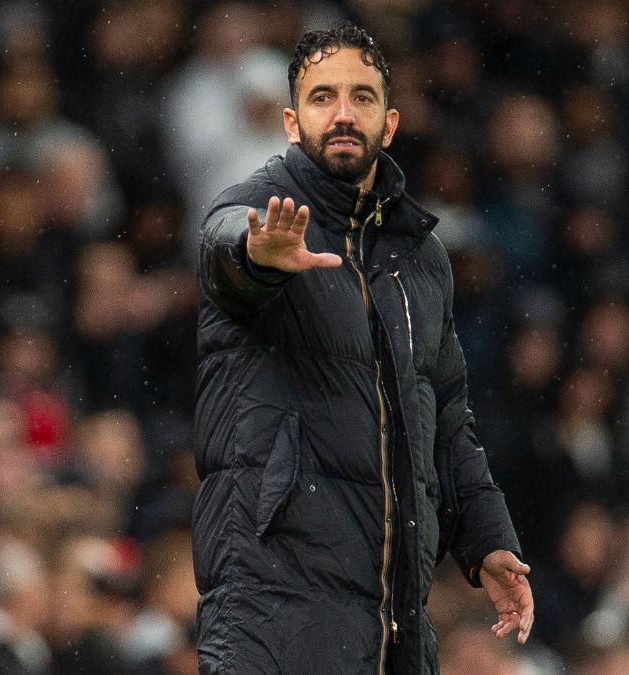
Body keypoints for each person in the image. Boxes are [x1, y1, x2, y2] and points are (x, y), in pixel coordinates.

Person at [192, 22, 533, 673]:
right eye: (323, 97)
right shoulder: (259, 210)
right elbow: (224, 249)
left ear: (391, 121)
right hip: (271, 612)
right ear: (292, 122)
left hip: (395, 618)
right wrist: (257, 258)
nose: (343, 114)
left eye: (362, 97)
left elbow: (447, 414)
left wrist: (485, 536)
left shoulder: (422, 256)